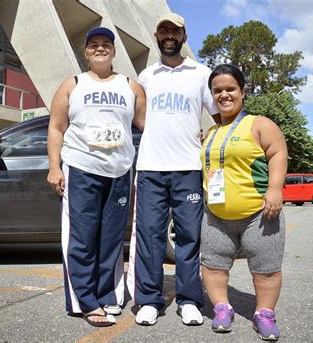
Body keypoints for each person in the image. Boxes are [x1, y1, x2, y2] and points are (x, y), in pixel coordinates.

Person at [47, 26, 146, 327]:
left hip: (119, 171)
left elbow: (148, 126)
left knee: (112, 239)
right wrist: (54, 167)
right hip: (81, 169)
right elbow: (56, 127)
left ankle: (107, 295)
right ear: (86, 52)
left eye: (106, 44)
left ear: (114, 51)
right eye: (94, 45)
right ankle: (85, 300)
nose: (100, 48)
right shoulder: (72, 85)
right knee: (82, 238)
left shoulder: (131, 86)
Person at [126, 12, 218, 326]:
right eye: (163, 31)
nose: (169, 36)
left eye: (175, 31)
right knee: (150, 236)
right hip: (150, 167)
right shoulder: (146, 75)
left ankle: (190, 300)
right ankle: (149, 300)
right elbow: (138, 119)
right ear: (156, 37)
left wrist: (212, 137)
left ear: (183, 36)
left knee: (189, 238)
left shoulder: (201, 73)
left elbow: (220, 115)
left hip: (189, 168)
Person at [200, 64, 288, 341]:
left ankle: (264, 315)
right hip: (216, 215)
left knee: (266, 269)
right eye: (217, 91)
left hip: (259, 213)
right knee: (213, 266)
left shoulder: (259, 123)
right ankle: (222, 309)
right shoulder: (211, 131)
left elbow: (278, 153)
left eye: (230, 89)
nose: (223, 95)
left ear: (242, 92)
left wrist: (275, 189)